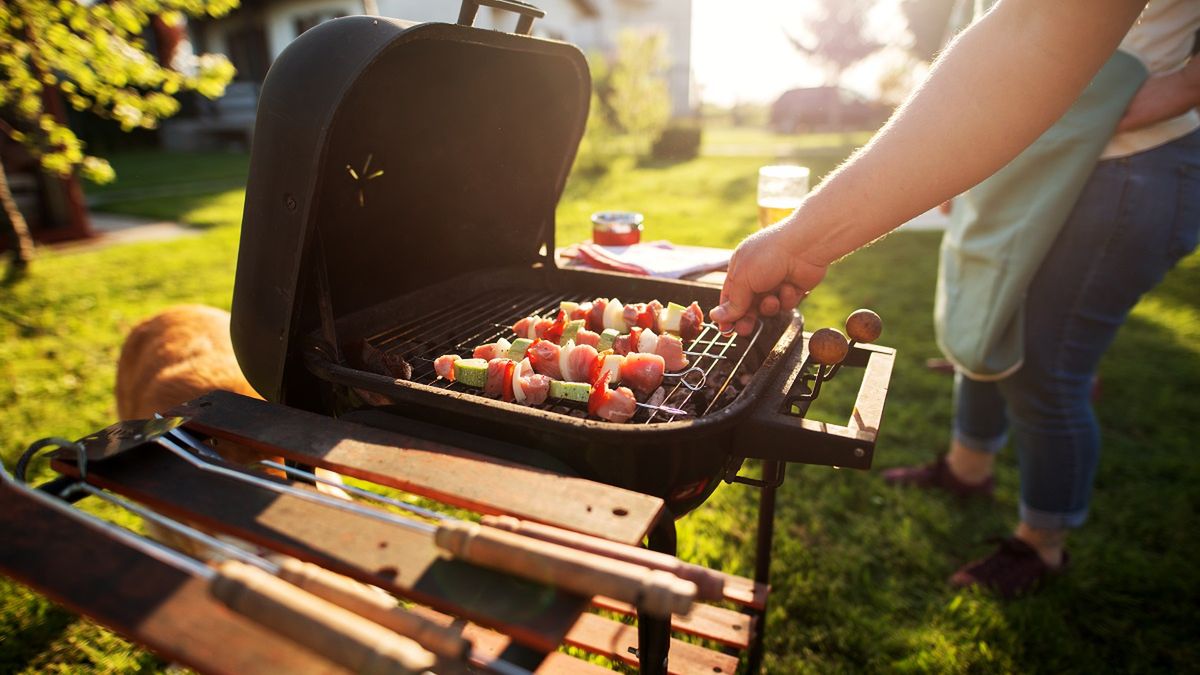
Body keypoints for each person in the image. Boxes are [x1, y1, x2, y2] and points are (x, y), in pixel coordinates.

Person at [711, 0, 1200, 597]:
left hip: (1125, 168)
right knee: (987, 315)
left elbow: (1040, 33)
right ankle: (969, 470)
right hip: (1031, 160)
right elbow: (1002, 36)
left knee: (1048, 368)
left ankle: (1042, 544)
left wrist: (1103, 109)